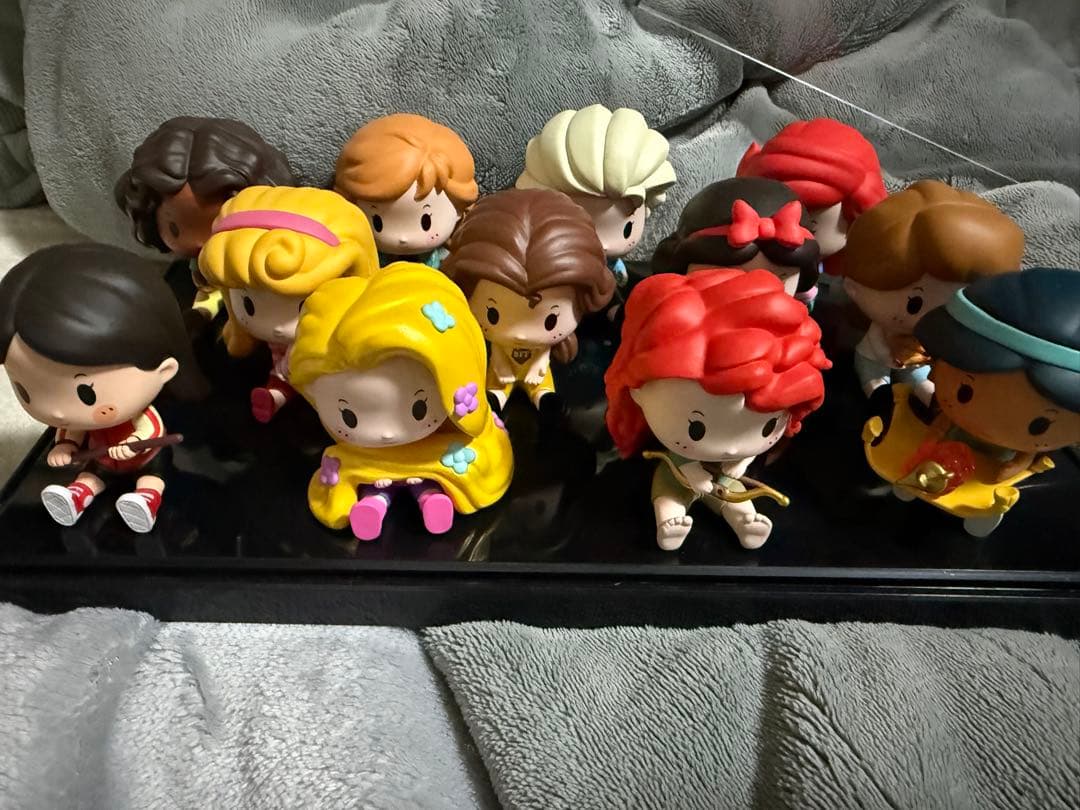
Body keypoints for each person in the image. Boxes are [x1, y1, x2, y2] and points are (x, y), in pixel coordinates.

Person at [605, 269, 830, 550]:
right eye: (696, 429)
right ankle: (668, 521)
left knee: (735, 495)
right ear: (637, 392)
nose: (732, 448)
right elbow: (676, 465)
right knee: (668, 492)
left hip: (723, 480)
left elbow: (738, 460)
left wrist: (741, 463)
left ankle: (745, 521)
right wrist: (691, 474)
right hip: (680, 472)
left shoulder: (739, 453)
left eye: (768, 427)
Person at [290, 263, 514, 540]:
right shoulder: (348, 454)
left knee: (429, 486)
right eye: (349, 417)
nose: (386, 433)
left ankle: (432, 501)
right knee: (374, 490)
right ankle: (371, 509)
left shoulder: (460, 442)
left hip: (432, 459)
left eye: (419, 409)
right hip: (366, 464)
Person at [0, 244, 206, 532]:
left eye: (87, 394)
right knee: (90, 477)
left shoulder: (144, 414)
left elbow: (150, 430)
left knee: (152, 477)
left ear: (164, 371)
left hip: (144, 457)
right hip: (101, 459)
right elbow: (71, 430)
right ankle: (76, 498)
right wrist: (66, 445)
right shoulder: (73, 420)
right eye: (24, 390)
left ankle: (146, 501)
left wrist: (132, 444)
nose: (56, 411)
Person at [197, 185, 379, 422]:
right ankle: (277, 395)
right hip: (287, 368)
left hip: (331, 375)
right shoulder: (266, 345)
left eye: (302, 306)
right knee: (283, 376)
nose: (277, 329)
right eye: (249, 306)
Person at [334, 113, 478, 269]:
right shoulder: (364, 256)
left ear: (458, 211)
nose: (403, 238)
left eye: (426, 222)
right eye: (377, 222)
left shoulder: (450, 259)